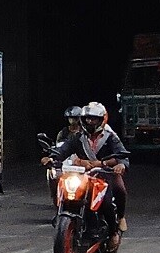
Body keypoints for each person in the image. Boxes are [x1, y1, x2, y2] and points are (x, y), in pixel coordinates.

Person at [55, 102, 130, 243]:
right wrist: (52, 157)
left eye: (94, 119)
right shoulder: (78, 137)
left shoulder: (110, 136)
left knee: (111, 196)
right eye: (88, 118)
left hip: (106, 174)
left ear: (102, 119)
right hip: (84, 175)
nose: (90, 122)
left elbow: (122, 155)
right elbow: (64, 149)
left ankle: (116, 227)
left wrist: (119, 165)